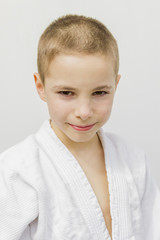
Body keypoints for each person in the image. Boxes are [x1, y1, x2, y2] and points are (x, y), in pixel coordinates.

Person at [0, 14, 160, 240]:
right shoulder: (17, 171)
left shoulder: (134, 161)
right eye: (67, 93)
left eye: (99, 93)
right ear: (40, 87)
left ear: (116, 84)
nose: (84, 112)